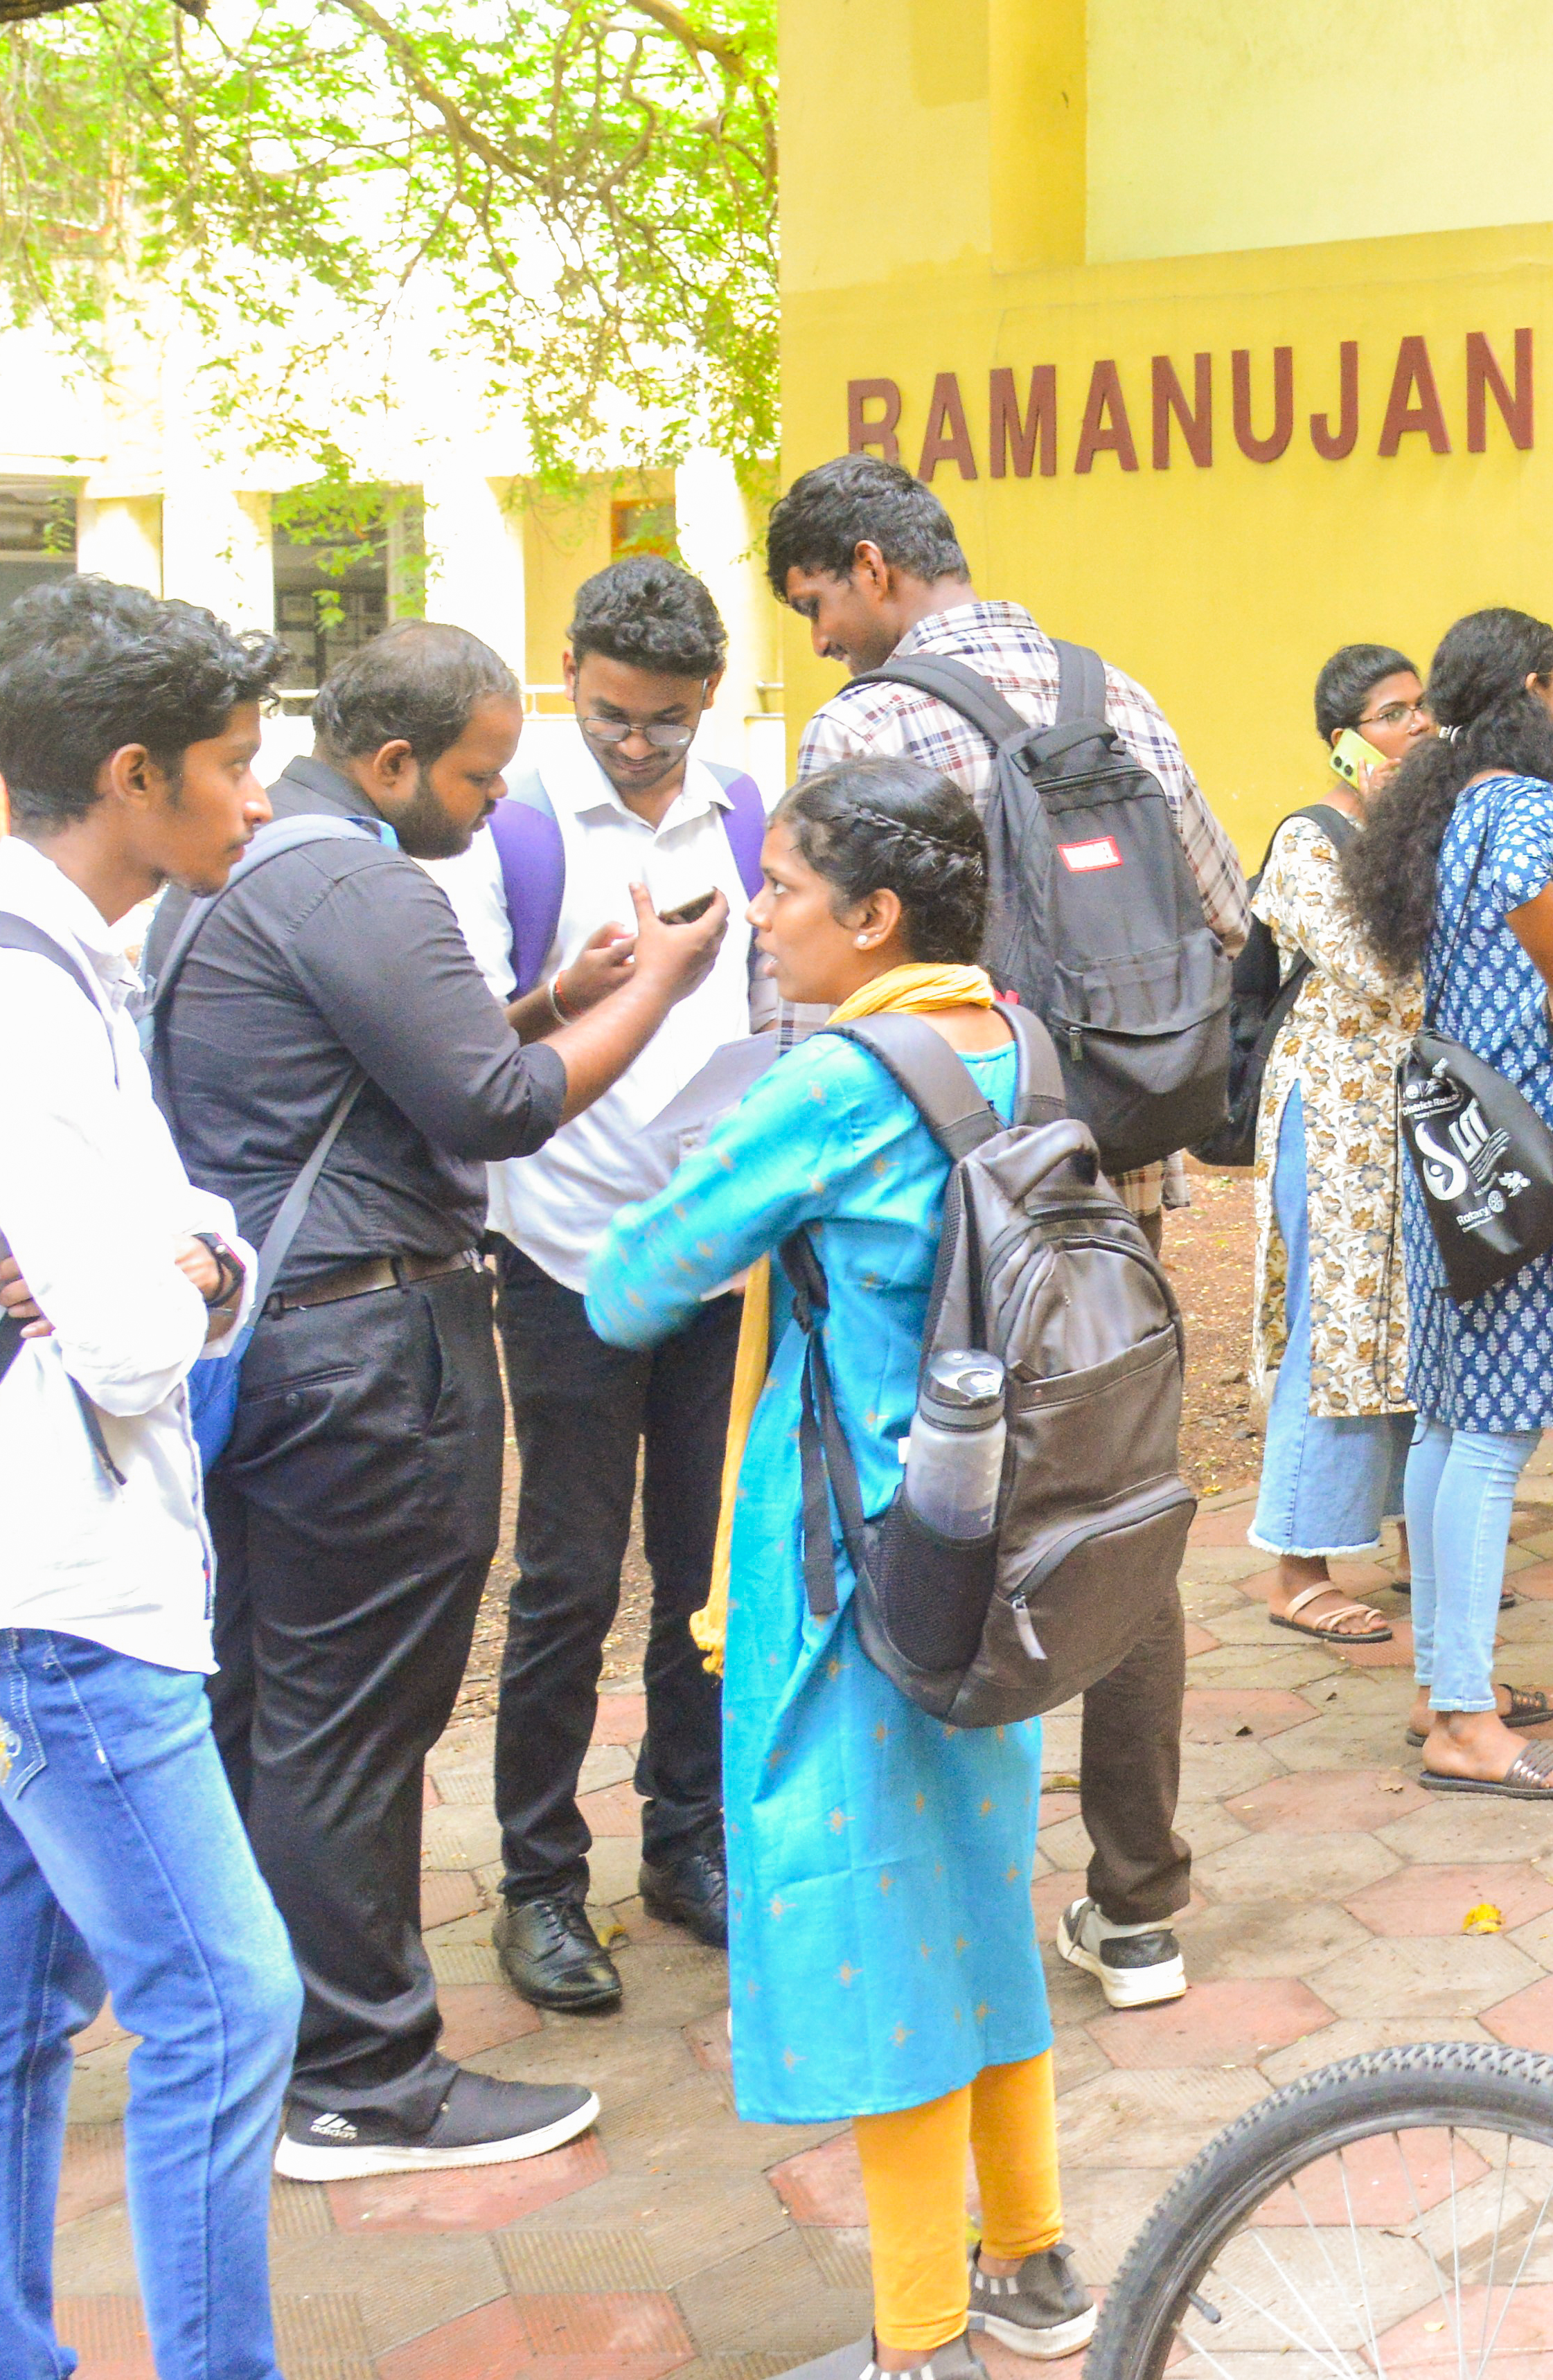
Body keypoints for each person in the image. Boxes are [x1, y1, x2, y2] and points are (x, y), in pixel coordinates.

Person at [152, 623, 724, 2180]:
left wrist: (554, 994)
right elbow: (492, 1105)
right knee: (350, 1722)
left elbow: (429, 1059)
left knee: (277, 1708)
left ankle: (280, 2035)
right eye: (475, 775)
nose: (491, 803)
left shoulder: (252, 877)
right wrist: (662, 989)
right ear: (391, 763)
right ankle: (361, 2077)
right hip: (364, 1363)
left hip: (277, 1346)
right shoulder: (355, 880)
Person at [581, 759, 1092, 2380]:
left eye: (785, 889)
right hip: (997, 1541)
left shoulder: (829, 1083)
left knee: (873, 1931)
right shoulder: (1016, 1038)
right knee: (975, 1901)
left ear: (873, 915)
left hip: (850, 1562)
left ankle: (918, 2336)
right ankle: (1032, 2260)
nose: (765, 919)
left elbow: (629, 1281)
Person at [0, 577, 294, 2380]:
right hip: (56, 1589)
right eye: (231, 765)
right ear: (132, 776)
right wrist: (183, 1273)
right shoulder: (12, 998)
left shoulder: (58, 963)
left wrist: (178, 1264)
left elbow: (198, 1250)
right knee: (224, 2001)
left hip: (35, 1567)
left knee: (15, 2006)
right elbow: (143, 1331)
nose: (257, 799)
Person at [765, 451, 1248, 2025]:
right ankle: (1138, 1902)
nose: (821, 636)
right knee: (1113, 1501)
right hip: (1103, 1187)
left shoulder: (865, 724)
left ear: (867, 564)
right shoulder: (1123, 696)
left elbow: (815, 991)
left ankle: (935, 1905)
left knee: (932, 1514)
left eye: (818, 602)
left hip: (932, 1201)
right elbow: (1225, 912)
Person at [448, 560, 767, 2024]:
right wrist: (578, 992)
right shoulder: (509, 830)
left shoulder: (746, 810)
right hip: (567, 1255)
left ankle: (688, 1841)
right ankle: (539, 1881)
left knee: (708, 1577)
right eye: (613, 714)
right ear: (569, 670)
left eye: (667, 721)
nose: (637, 746)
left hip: (714, 1254)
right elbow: (474, 1053)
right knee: (568, 1579)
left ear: (711, 698)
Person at [1356, 611, 1553, 1790]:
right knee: (1496, 1433)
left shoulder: (1446, 800)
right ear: (1531, 688)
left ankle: (1439, 1683)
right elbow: (1530, 885)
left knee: (1447, 1419)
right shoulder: (1524, 797)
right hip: (1520, 1159)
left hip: (1457, 1148)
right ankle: (1469, 1718)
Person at [1218, 643, 1429, 1998]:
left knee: (1398, 1328)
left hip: (1400, 1116)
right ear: (1337, 736)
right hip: (1331, 1113)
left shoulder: (1411, 829)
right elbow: (1372, 971)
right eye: (1388, 715)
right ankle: (1294, 1569)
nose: (1412, 728)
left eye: (1420, 709)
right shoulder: (1309, 838)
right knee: (1332, 1328)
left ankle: (1400, 1541)